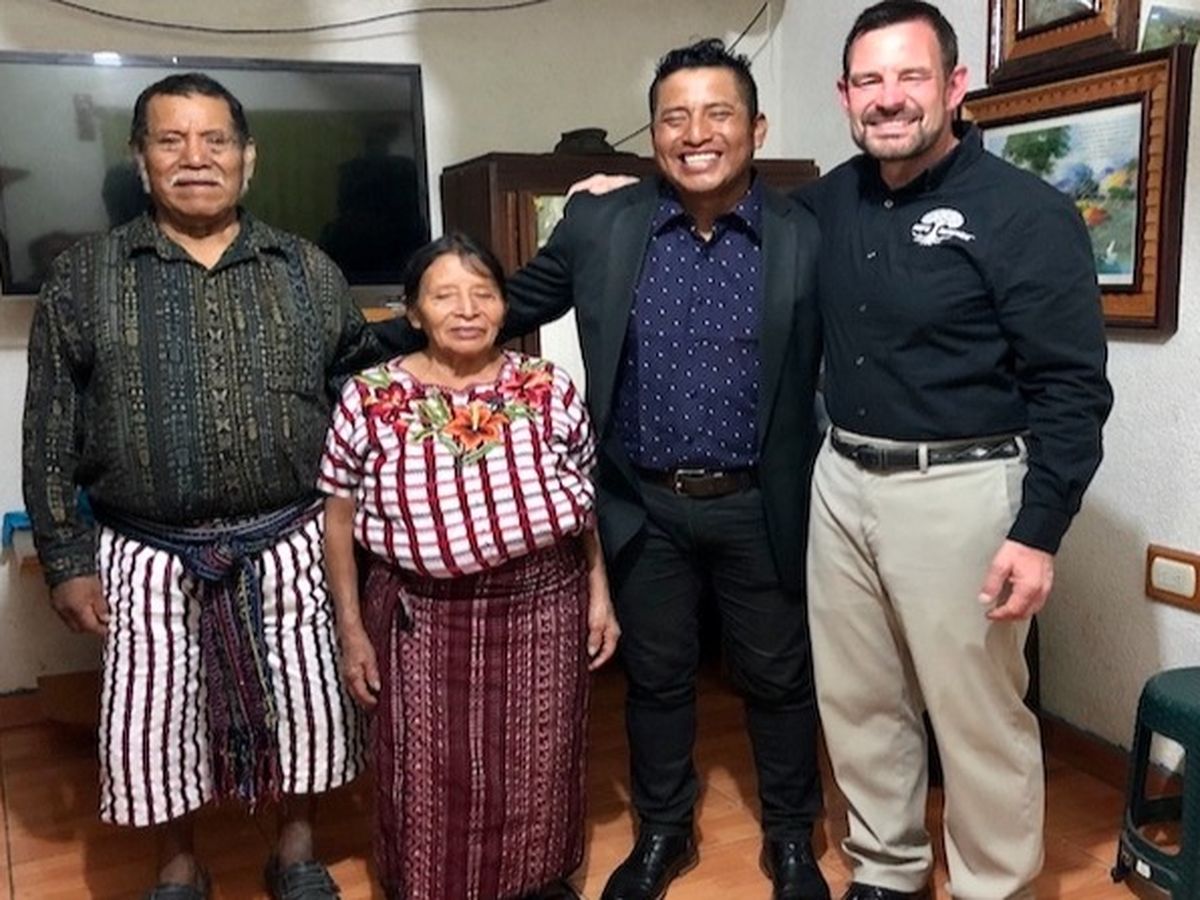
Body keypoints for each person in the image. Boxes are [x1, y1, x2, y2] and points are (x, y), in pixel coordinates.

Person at [380, 39, 828, 900]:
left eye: (718, 114)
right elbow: (497, 308)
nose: (695, 134)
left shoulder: (807, 232)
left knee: (779, 679)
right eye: (674, 118)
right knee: (656, 679)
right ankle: (664, 832)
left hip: (760, 502)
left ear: (757, 128)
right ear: (652, 134)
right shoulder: (602, 224)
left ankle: (789, 838)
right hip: (641, 503)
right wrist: (376, 344)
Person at [22, 73, 375, 900]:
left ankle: (296, 854)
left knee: (309, 709)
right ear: (140, 158)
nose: (195, 157)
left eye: (215, 140)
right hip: (144, 550)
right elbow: (48, 428)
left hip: (291, 539)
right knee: (155, 725)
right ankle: (178, 866)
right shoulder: (84, 276)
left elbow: (360, 392)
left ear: (248, 158)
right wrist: (66, 559)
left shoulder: (307, 269)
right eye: (171, 140)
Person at [797, 3, 1113, 898]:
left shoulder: (1026, 214)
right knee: (859, 703)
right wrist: (626, 194)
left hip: (964, 491)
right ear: (845, 95)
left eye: (910, 75)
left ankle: (993, 884)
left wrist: (1038, 532)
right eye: (869, 80)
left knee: (977, 718)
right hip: (842, 478)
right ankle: (886, 871)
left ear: (954, 85)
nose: (889, 97)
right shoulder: (828, 202)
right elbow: (735, 211)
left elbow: (1073, 388)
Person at [320, 232, 619, 900]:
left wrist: (600, 595)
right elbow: (337, 521)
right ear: (414, 311)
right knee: (427, 765)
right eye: (444, 296)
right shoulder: (370, 397)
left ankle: (537, 880)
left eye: (483, 294)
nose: (466, 310)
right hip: (422, 616)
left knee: (541, 757)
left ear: (505, 305)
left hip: (546, 605)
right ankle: (430, 884)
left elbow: (584, 503)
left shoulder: (547, 387)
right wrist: (351, 628)